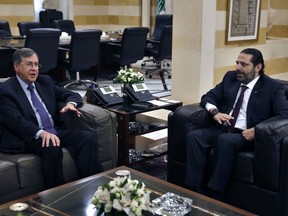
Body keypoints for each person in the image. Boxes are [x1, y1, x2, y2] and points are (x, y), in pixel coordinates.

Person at [185, 48, 288, 200]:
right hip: (224, 127)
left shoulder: (272, 88)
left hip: (246, 135)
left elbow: (284, 114)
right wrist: (215, 113)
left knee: (225, 141)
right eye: (237, 63)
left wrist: (256, 131)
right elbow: (208, 97)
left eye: (244, 64)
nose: (238, 68)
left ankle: (215, 194)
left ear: (258, 67)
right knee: (194, 136)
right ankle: (193, 189)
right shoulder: (230, 78)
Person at [0, 48, 103, 189]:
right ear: (16, 66)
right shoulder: (6, 90)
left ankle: (94, 186)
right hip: (27, 137)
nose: (34, 69)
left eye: (36, 64)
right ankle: (57, 194)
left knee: (86, 138)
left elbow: (72, 95)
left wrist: (70, 104)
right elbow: (14, 121)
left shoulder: (45, 82)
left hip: (53, 131)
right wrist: (41, 133)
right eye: (29, 64)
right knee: (51, 146)